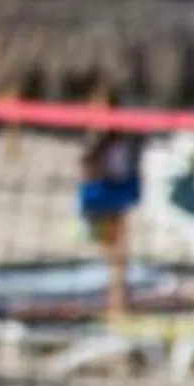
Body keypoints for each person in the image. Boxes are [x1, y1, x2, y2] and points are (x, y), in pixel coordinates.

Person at [79, 125, 145, 321]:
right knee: (113, 258)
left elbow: (88, 169)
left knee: (117, 260)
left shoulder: (122, 142)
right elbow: (87, 169)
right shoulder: (100, 143)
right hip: (103, 201)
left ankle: (118, 306)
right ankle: (117, 305)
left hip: (111, 201)